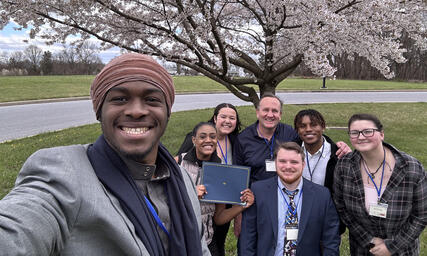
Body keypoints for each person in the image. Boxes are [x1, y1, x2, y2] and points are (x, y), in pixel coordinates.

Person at [0, 53, 210, 256]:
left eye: (152, 99)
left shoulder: (182, 180)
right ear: (99, 112)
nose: (136, 111)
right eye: (119, 98)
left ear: (167, 112)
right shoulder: (62, 173)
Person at [333, 113, 426, 256]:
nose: (361, 136)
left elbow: (421, 215)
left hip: (403, 250)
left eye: (368, 131)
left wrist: (392, 246)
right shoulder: (344, 166)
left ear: (381, 134)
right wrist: (368, 239)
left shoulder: (410, 168)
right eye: (355, 133)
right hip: (362, 249)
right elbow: (341, 207)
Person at [240, 141, 340, 256]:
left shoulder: (322, 195)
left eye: (294, 162)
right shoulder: (258, 191)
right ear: (275, 163)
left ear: (303, 164)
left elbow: (331, 239)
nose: (288, 166)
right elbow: (248, 237)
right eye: (282, 161)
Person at [177, 122, 254, 256]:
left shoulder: (222, 171)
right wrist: (190, 192)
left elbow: (219, 218)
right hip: (179, 239)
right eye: (202, 136)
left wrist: (242, 206)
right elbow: (163, 200)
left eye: (213, 137)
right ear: (194, 140)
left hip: (206, 242)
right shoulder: (177, 163)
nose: (208, 140)